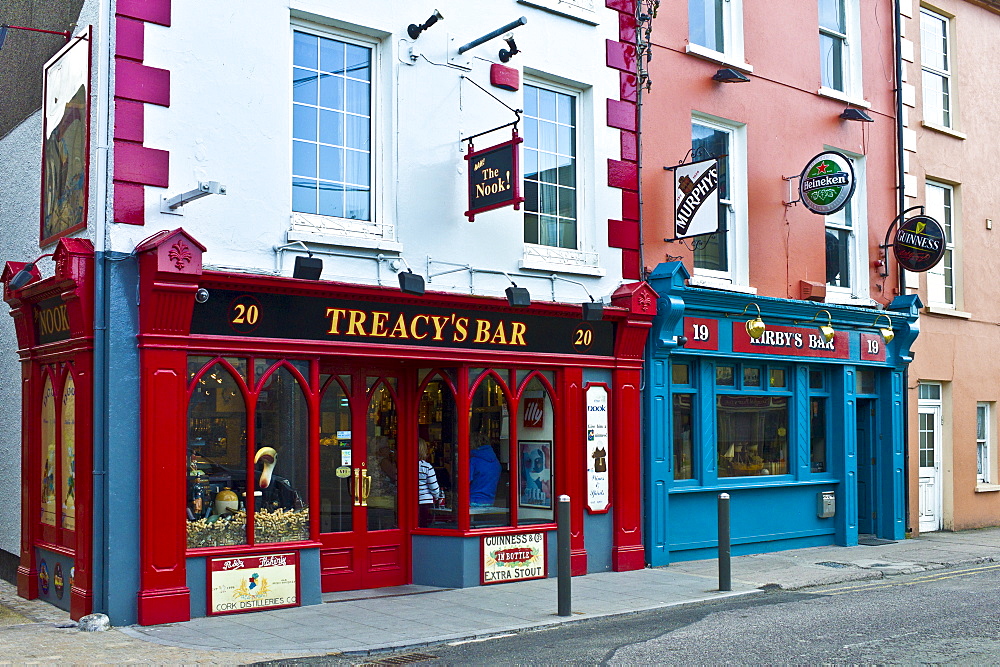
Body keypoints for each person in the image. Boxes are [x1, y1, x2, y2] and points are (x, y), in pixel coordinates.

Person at [417, 439, 444, 527]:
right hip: (425, 504)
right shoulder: (426, 467)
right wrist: (438, 496)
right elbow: (435, 489)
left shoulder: (402, 466)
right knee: (424, 527)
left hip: (407, 503)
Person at [469, 433, 501, 507]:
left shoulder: (473, 461)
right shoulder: (496, 462)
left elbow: (464, 482)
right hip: (490, 500)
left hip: (473, 499)